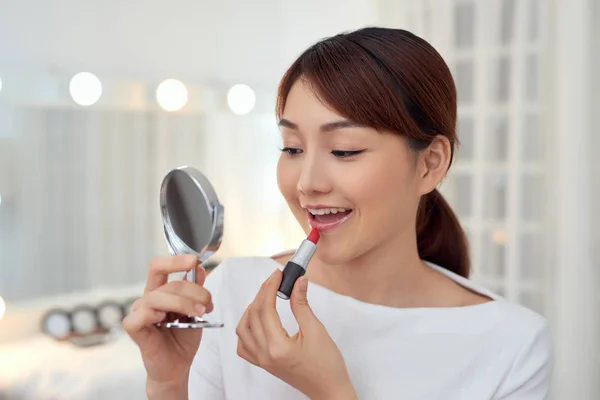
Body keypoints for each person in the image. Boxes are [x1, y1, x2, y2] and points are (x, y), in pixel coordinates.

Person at [123, 27, 553, 399]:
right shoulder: (232, 292)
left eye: (344, 150)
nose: (307, 182)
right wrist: (168, 385)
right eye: (292, 148)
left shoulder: (511, 344)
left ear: (430, 164)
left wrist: (332, 392)